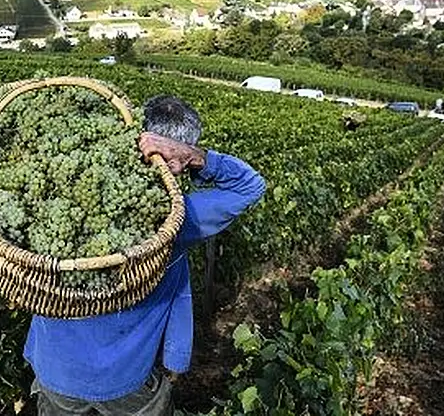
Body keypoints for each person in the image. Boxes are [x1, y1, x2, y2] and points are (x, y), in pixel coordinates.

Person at [24, 95, 267, 415]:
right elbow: (249, 186)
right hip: (126, 379)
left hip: (56, 369)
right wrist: (197, 157)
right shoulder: (174, 219)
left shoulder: (58, 193)